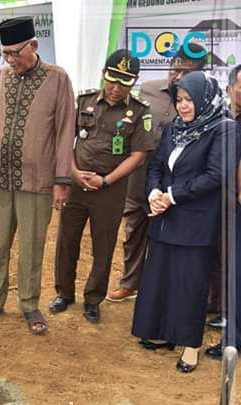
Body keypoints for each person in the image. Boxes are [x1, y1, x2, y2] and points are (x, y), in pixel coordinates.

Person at [0, 16, 75, 334]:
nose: (10, 60)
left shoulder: (58, 79)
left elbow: (64, 133)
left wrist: (61, 180)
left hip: (38, 180)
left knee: (32, 244)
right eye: (6, 54)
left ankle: (30, 305)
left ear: (34, 45)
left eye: (15, 53)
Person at [131, 72, 235, 373]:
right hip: (165, 217)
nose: (184, 106)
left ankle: (190, 345)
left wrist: (171, 196)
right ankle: (166, 333)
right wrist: (153, 192)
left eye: (189, 100)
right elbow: (157, 166)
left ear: (205, 99)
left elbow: (217, 174)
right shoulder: (174, 128)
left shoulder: (223, 129)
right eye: (179, 100)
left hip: (196, 220)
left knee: (189, 284)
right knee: (163, 278)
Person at [51, 50, 154, 323]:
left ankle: (93, 299)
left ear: (133, 83)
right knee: (66, 242)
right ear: (103, 75)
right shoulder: (84, 101)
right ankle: (64, 293)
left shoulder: (140, 112)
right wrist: (72, 171)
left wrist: (106, 179)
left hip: (110, 189)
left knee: (104, 245)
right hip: (76, 185)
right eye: (112, 80)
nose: (116, 88)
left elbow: (138, 155)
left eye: (124, 83)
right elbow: (65, 140)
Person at [108, 44, 207, 305]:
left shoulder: (200, 102)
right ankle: (130, 283)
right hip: (138, 173)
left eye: (186, 72)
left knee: (167, 234)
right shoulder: (149, 88)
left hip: (174, 179)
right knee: (133, 228)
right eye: (176, 68)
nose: (177, 76)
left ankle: (164, 289)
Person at [206, 64, 241, 359]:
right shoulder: (218, 120)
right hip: (218, 205)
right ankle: (231, 333)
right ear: (229, 88)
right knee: (226, 267)